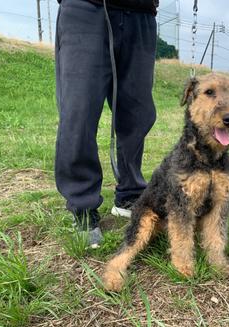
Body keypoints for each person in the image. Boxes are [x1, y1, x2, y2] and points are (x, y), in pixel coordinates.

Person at [54, 0, 159, 248]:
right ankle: (82, 206)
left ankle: (130, 194)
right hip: (86, 8)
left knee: (138, 113)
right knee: (79, 112)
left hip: (141, 13)